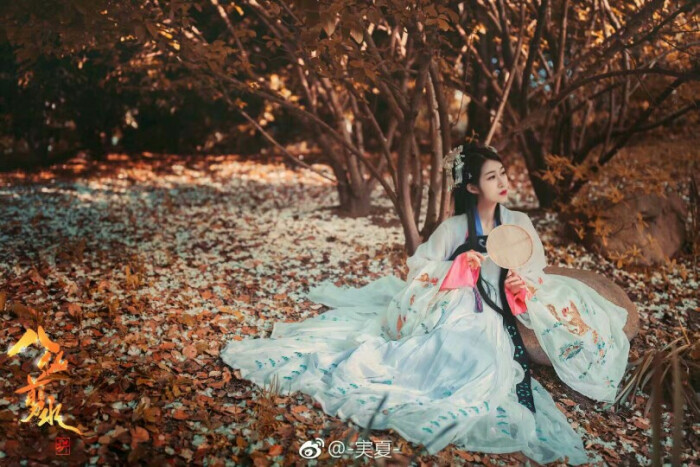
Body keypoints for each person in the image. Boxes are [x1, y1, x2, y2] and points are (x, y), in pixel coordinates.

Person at [220, 142, 630, 464]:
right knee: (438, 355)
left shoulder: (520, 223)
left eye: (503, 173)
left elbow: (536, 269)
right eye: (492, 177)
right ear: (473, 187)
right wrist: (457, 268)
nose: (503, 181)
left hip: (498, 310)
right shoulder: (454, 227)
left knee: (482, 363)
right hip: (459, 303)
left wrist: (522, 283)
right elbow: (419, 267)